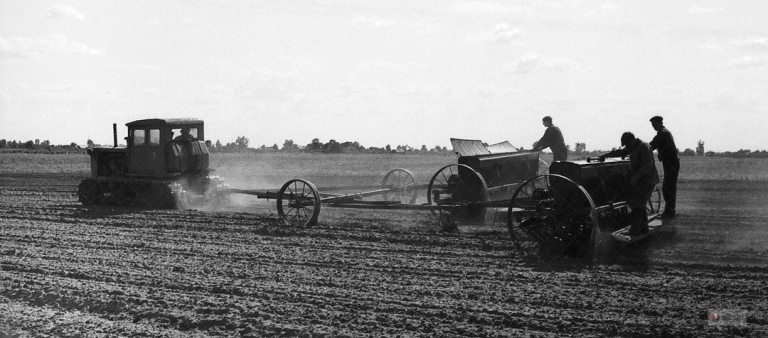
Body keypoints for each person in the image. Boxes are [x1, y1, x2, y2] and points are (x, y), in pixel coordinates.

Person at [600, 132, 659, 236]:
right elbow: (621, 152)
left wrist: (636, 177)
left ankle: (634, 231)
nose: (626, 147)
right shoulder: (633, 146)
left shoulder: (643, 147)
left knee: (637, 204)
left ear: (631, 140)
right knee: (640, 203)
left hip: (648, 180)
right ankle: (643, 228)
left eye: (626, 144)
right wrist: (606, 155)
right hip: (641, 180)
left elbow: (647, 165)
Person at [649, 116, 679, 219]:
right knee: (669, 187)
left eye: (654, 124)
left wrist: (640, 149)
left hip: (671, 163)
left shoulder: (663, 134)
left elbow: (651, 145)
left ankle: (670, 212)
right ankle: (670, 211)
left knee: (668, 187)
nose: (653, 127)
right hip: (671, 162)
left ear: (659, 123)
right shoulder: (664, 132)